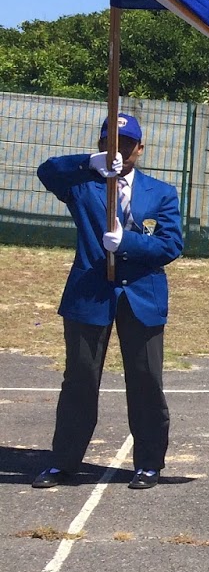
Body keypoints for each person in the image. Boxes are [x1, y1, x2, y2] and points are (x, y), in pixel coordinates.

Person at [33, 113, 183, 490]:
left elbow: (171, 245)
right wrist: (90, 164)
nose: (120, 150)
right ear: (101, 144)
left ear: (141, 148)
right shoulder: (83, 186)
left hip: (142, 296)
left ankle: (149, 463)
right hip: (90, 295)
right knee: (80, 380)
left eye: (127, 143)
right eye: (111, 143)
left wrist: (128, 242)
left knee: (146, 381)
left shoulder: (160, 192)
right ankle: (65, 462)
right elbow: (47, 172)